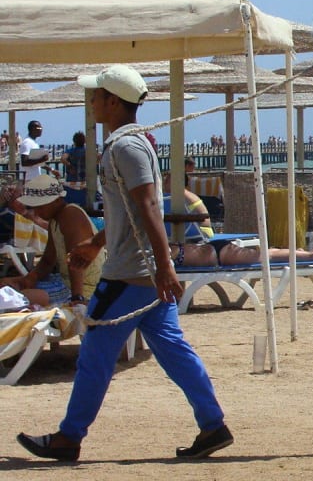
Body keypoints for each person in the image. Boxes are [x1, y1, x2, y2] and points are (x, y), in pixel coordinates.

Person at [17, 64, 233, 462]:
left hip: (130, 275)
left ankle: (68, 438)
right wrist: (97, 243)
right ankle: (212, 423)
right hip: (145, 272)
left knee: (95, 357)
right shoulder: (132, 144)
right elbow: (127, 212)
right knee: (174, 352)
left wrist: (165, 265)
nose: (93, 101)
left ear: (113, 101)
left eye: (97, 95)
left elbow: (148, 204)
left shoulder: (125, 147)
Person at [0, 176, 102, 308]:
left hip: (83, 287)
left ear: (56, 201)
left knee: (17, 299)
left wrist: (77, 298)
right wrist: (31, 278)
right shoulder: (55, 220)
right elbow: (48, 261)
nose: (37, 212)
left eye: (40, 207)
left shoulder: (70, 214)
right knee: (5, 285)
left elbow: (76, 263)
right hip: (63, 281)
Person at [19, 120, 49, 184]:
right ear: (33, 129)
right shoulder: (27, 142)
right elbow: (24, 162)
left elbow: (36, 162)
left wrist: (51, 169)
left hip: (34, 179)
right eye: (39, 128)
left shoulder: (34, 143)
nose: (41, 130)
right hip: (28, 179)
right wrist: (42, 159)